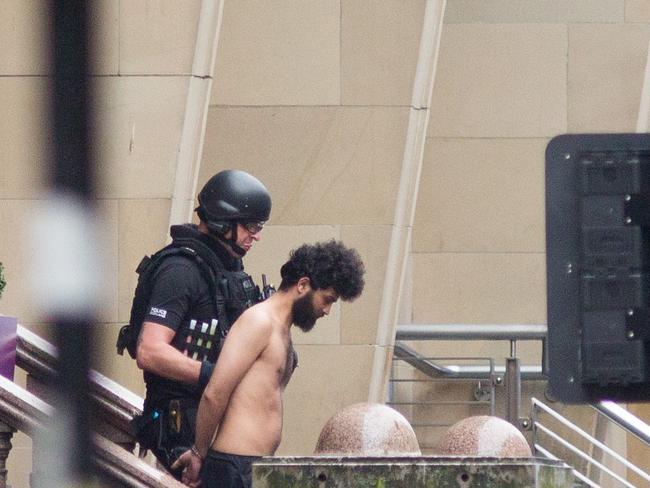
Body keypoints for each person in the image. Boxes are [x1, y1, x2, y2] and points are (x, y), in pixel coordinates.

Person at [171, 240, 365, 488]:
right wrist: (199, 454)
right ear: (303, 285)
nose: (326, 310)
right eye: (327, 299)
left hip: (254, 468)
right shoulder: (259, 321)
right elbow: (215, 393)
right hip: (234, 466)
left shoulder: (282, 330)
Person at [131, 169, 272, 478]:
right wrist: (215, 375)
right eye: (250, 226)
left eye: (259, 226)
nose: (256, 235)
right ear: (223, 221)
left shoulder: (223, 268)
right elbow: (150, 350)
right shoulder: (180, 270)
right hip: (180, 426)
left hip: (215, 423)